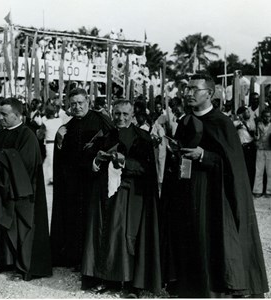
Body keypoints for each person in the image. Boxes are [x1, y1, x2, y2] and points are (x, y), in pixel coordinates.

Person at [160, 73, 268, 297]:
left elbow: (231, 164)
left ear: (209, 94)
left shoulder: (222, 123)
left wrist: (203, 155)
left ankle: (215, 287)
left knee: (210, 237)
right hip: (187, 189)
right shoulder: (185, 121)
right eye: (187, 89)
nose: (188, 93)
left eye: (194, 90)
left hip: (214, 193)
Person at [81, 100, 161, 297]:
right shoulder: (104, 135)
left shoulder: (141, 137)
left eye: (125, 114)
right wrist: (96, 161)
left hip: (129, 194)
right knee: (104, 234)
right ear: (111, 113)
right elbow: (88, 162)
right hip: (103, 194)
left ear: (132, 115)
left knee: (125, 237)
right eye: (117, 114)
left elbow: (146, 169)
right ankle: (107, 278)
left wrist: (125, 162)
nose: (121, 118)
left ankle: (129, 281)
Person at [0, 97, 52, 281]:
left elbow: (25, 164)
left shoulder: (27, 135)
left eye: (4, 114)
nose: (0, 118)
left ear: (18, 115)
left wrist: (0, 157)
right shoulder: (0, 135)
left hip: (20, 193)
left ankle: (21, 267)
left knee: (20, 230)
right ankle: (2, 263)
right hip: (2, 191)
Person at [50, 88, 113, 270]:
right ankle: (76, 257)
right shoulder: (67, 127)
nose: (77, 107)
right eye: (73, 104)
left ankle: (92, 261)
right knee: (75, 219)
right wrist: (59, 141)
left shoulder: (101, 120)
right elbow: (63, 159)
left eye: (80, 103)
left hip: (96, 179)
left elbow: (112, 142)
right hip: (75, 183)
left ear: (88, 102)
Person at [234, 106, 256, 189]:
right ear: (241, 114)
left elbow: (252, 133)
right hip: (240, 147)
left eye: (248, 112)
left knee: (250, 167)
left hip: (249, 146)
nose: (248, 113)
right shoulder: (235, 123)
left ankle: (250, 186)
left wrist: (245, 124)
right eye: (246, 112)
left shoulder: (251, 122)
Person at [253, 108, 271, 198]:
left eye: (268, 117)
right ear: (262, 117)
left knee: (270, 171)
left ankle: (269, 190)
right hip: (260, 148)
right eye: (265, 117)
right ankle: (257, 190)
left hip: (269, 149)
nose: (266, 119)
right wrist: (256, 127)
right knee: (259, 170)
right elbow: (256, 137)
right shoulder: (259, 124)